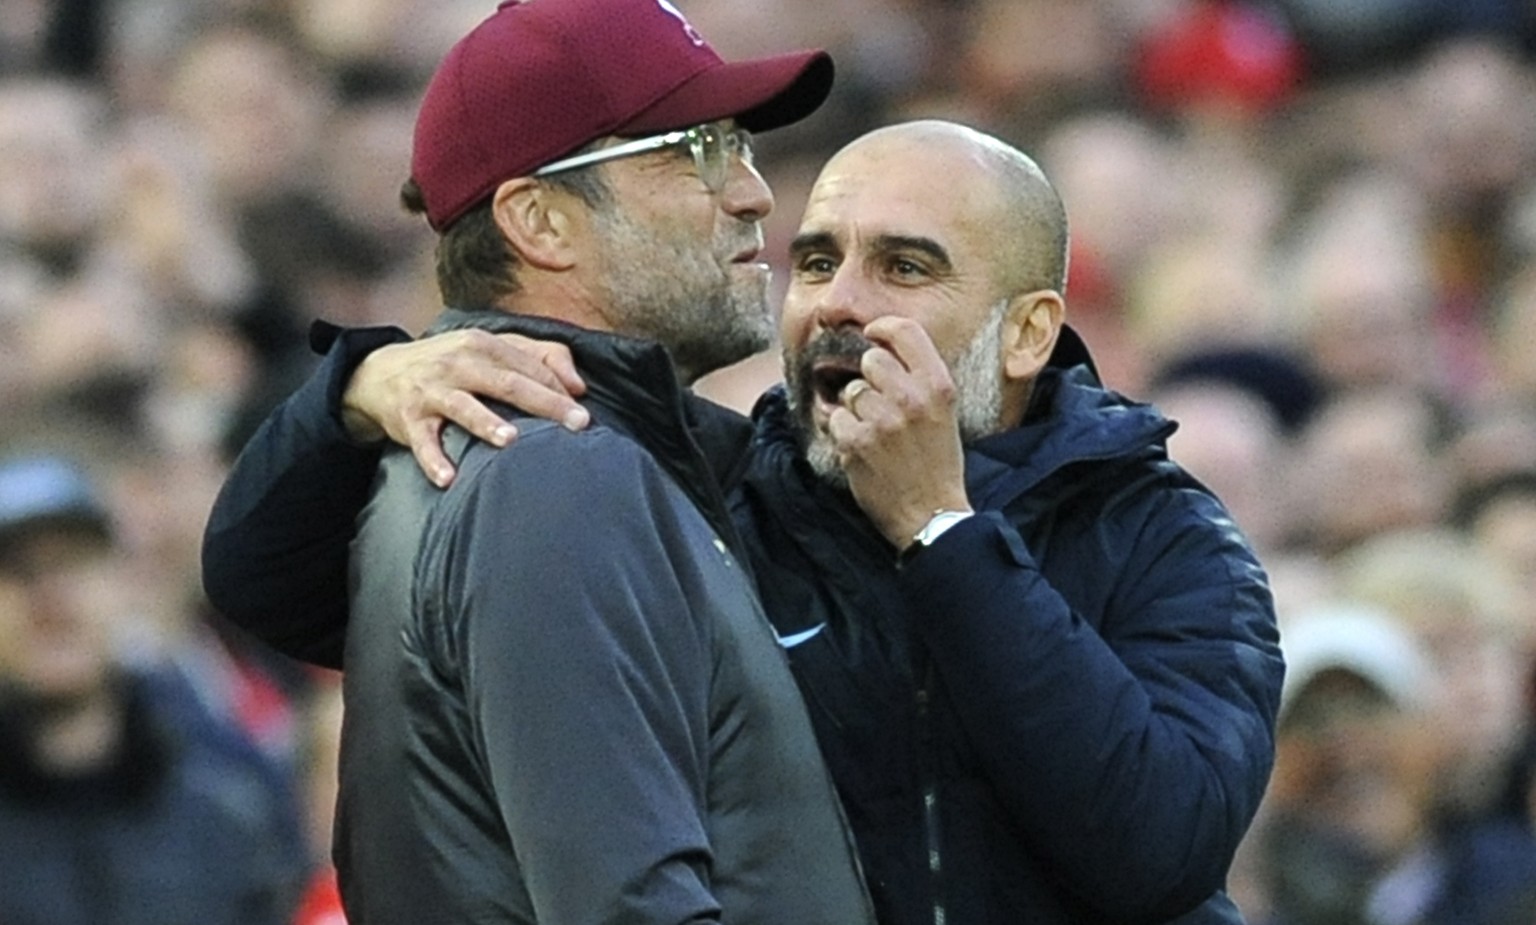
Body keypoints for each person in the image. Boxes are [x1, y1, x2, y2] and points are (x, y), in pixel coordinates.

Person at [205, 118, 1283, 923]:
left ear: (1026, 333)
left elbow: (1158, 848)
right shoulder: (720, 491)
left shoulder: (1166, 535)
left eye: (904, 266)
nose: (838, 302)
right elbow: (273, 586)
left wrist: (942, 533)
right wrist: (360, 387)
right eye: (816, 261)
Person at [206, 1, 877, 923]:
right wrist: (349, 389)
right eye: (696, 151)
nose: (754, 191)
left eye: (741, 146)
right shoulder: (553, 472)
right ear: (540, 222)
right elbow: (630, 907)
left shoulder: (589, 456)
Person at [0, 453, 304, 925]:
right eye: (16, 572)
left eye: (72, 564)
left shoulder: (232, 796)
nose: (50, 597)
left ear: (123, 581)